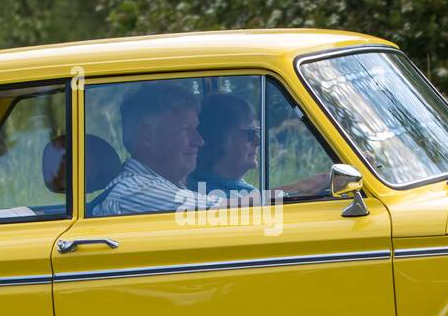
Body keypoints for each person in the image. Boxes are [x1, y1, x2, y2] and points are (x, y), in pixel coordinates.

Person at [92, 83, 230, 217]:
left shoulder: (162, 185)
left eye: (195, 129)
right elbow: (229, 211)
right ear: (148, 136)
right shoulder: (133, 190)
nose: (199, 141)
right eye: (186, 130)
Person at [190, 92, 329, 199]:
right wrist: (305, 186)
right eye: (249, 134)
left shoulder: (220, 188)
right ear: (218, 139)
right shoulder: (205, 195)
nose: (258, 141)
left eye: (257, 131)